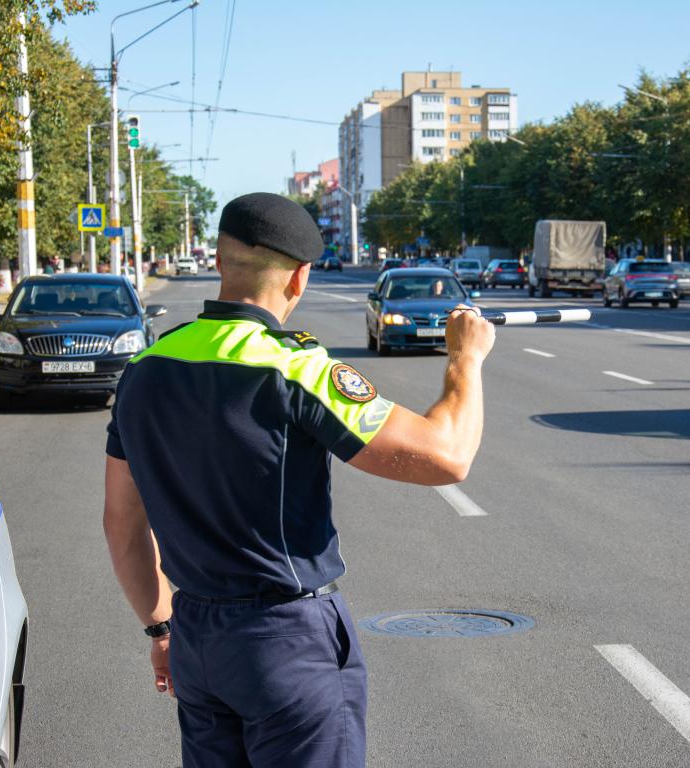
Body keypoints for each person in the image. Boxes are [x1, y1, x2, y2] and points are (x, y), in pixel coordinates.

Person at [103, 192, 495, 767]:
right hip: (284, 640)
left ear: (220, 261)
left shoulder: (144, 370)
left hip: (196, 638)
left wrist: (161, 629)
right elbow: (448, 456)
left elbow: (121, 523)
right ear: (300, 277)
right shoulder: (294, 368)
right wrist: (466, 359)